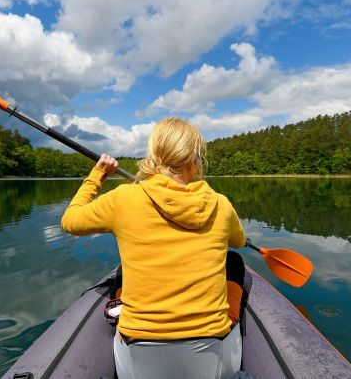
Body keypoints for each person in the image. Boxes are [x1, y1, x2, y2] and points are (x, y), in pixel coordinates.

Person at [61, 117, 247, 379]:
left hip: (138, 356)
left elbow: (70, 221)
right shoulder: (220, 203)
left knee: (122, 275)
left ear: (154, 154)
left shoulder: (124, 198)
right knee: (234, 261)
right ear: (195, 159)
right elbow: (238, 242)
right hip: (212, 353)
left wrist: (98, 175)